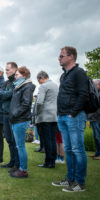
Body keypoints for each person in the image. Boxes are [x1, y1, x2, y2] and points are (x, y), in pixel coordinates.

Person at [52, 46, 88, 192]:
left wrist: (73, 112)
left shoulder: (79, 73)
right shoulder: (64, 75)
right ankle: (70, 179)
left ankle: (80, 183)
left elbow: (83, 94)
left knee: (77, 149)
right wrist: (61, 114)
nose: (59, 58)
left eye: (61, 56)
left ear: (71, 57)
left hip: (74, 116)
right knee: (68, 149)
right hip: (62, 116)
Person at [0, 62, 20, 170]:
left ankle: (17, 163)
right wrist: (4, 94)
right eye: (6, 70)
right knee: (9, 139)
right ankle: (12, 161)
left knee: (15, 140)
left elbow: (10, 94)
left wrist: (4, 94)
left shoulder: (17, 82)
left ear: (15, 70)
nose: (6, 72)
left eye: (8, 70)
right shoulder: (6, 82)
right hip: (4, 113)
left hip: (13, 114)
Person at [9, 66, 35, 178]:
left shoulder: (27, 86)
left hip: (21, 119)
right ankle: (20, 168)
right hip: (16, 119)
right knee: (18, 146)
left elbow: (26, 104)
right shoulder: (19, 86)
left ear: (24, 75)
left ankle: (23, 170)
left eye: (17, 74)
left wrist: (15, 114)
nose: (15, 76)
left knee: (20, 146)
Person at [34, 71, 59, 168]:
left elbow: (39, 102)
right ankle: (52, 161)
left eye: (38, 80)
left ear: (42, 78)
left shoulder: (43, 86)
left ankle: (48, 162)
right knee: (52, 139)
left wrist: (37, 113)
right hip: (53, 115)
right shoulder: (55, 85)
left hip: (45, 116)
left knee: (46, 140)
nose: (39, 82)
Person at [88, 79, 100, 160]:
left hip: (96, 118)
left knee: (98, 136)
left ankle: (99, 154)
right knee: (96, 136)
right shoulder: (96, 93)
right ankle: (97, 152)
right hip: (93, 117)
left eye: (94, 85)